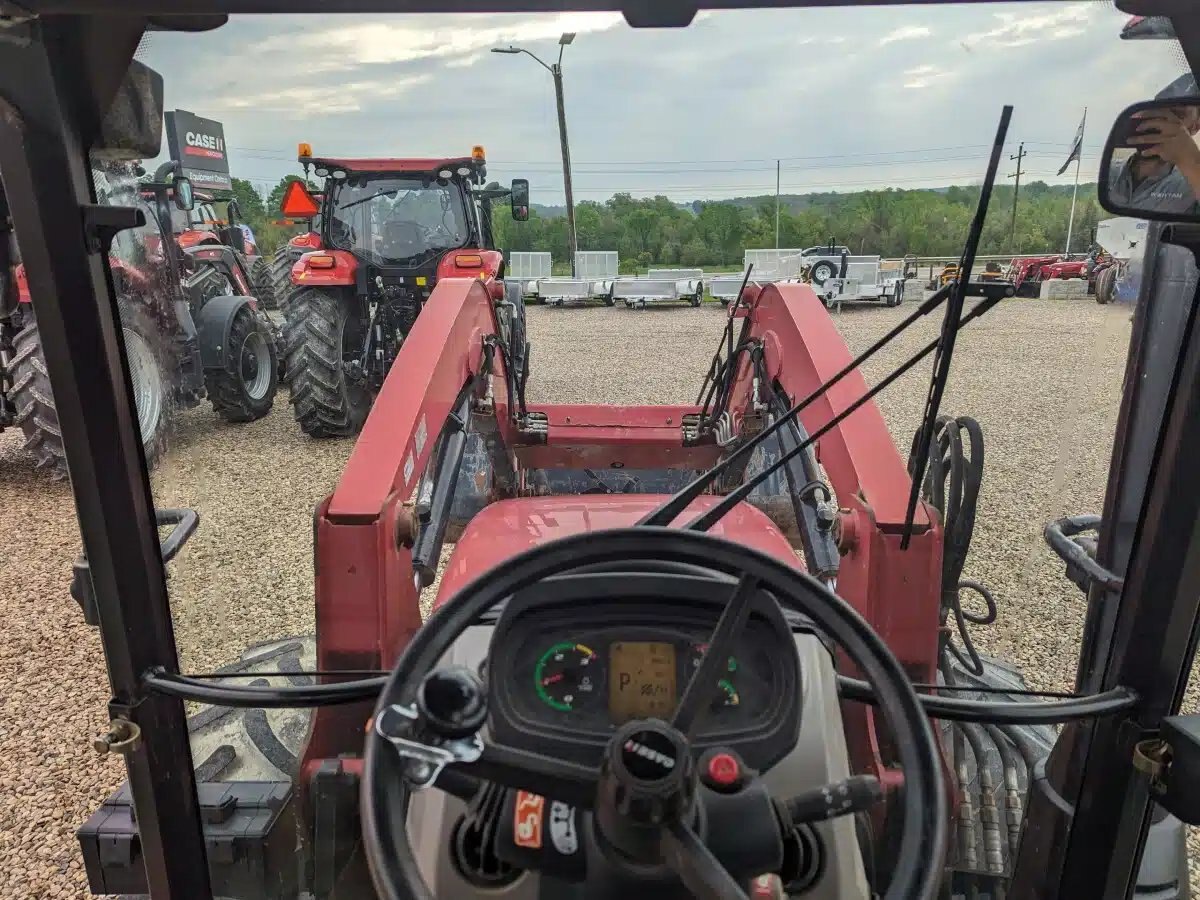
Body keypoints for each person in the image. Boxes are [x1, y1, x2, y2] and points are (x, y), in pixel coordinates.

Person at [1108, 73, 1200, 215]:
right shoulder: (1110, 173)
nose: (1161, 122)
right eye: (1157, 112)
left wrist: (1191, 161)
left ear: (1195, 127)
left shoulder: (1191, 187)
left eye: (1178, 115)